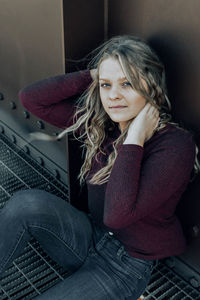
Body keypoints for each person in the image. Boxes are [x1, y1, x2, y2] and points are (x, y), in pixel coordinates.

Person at [0, 35, 197, 299]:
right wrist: (98, 72)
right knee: (25, 204)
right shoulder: (103, 125)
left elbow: (117, 215)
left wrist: (135, 138)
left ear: (150, 86)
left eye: (126, 83)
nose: (113, 95)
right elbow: (31, 99)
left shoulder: (174, 145)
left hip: (124, 267)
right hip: (89, 237)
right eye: (106, 85)